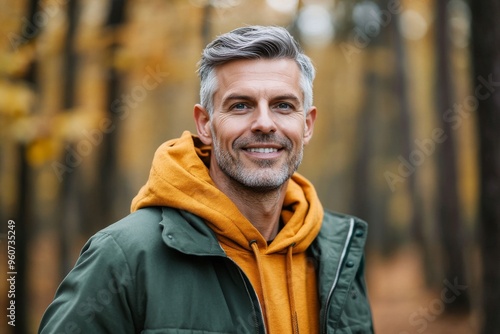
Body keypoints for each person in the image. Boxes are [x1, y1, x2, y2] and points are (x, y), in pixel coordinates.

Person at [39, 25, 374, 333]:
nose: (264, 123)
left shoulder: (337, 253)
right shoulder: (124, 256)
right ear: (205, 125)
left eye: (283, 106)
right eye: (241, 105)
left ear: (307, 125)